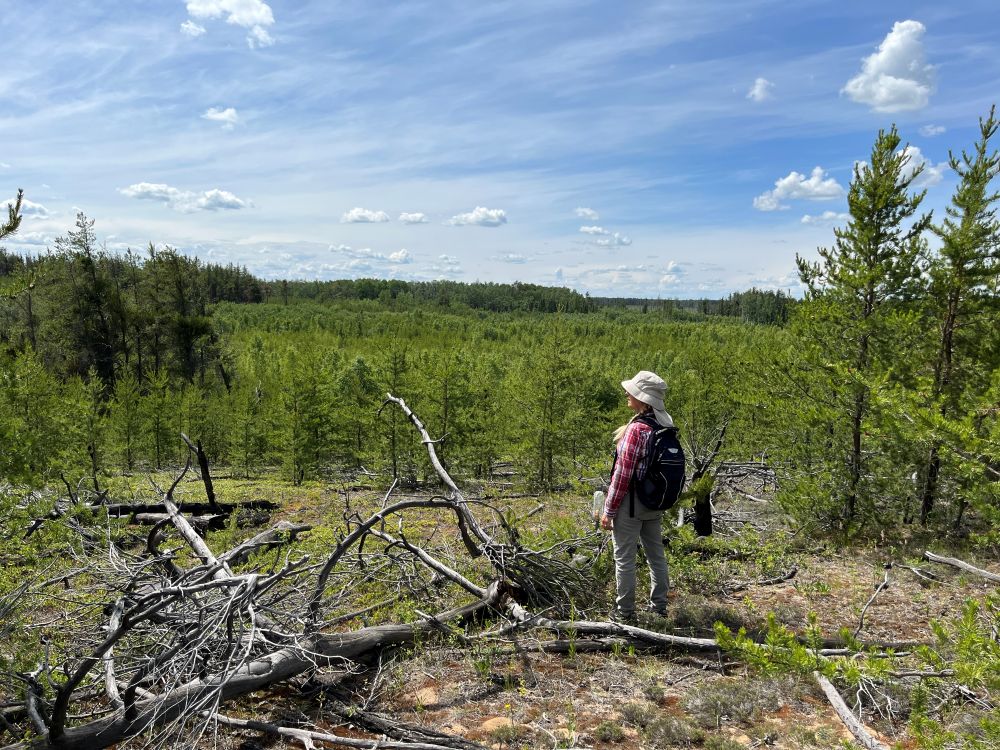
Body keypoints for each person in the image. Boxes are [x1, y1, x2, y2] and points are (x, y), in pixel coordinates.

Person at [598, 370, 673, 623]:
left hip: (630, 503)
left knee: (625, 559)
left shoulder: (636, 430)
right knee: (656, 555)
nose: (626, 394)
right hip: (654, 501)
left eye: (631, 392)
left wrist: (609, 511)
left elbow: (622, 475)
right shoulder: (664, 425)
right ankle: (659, 608)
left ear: (642, 399)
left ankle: (625, 613)